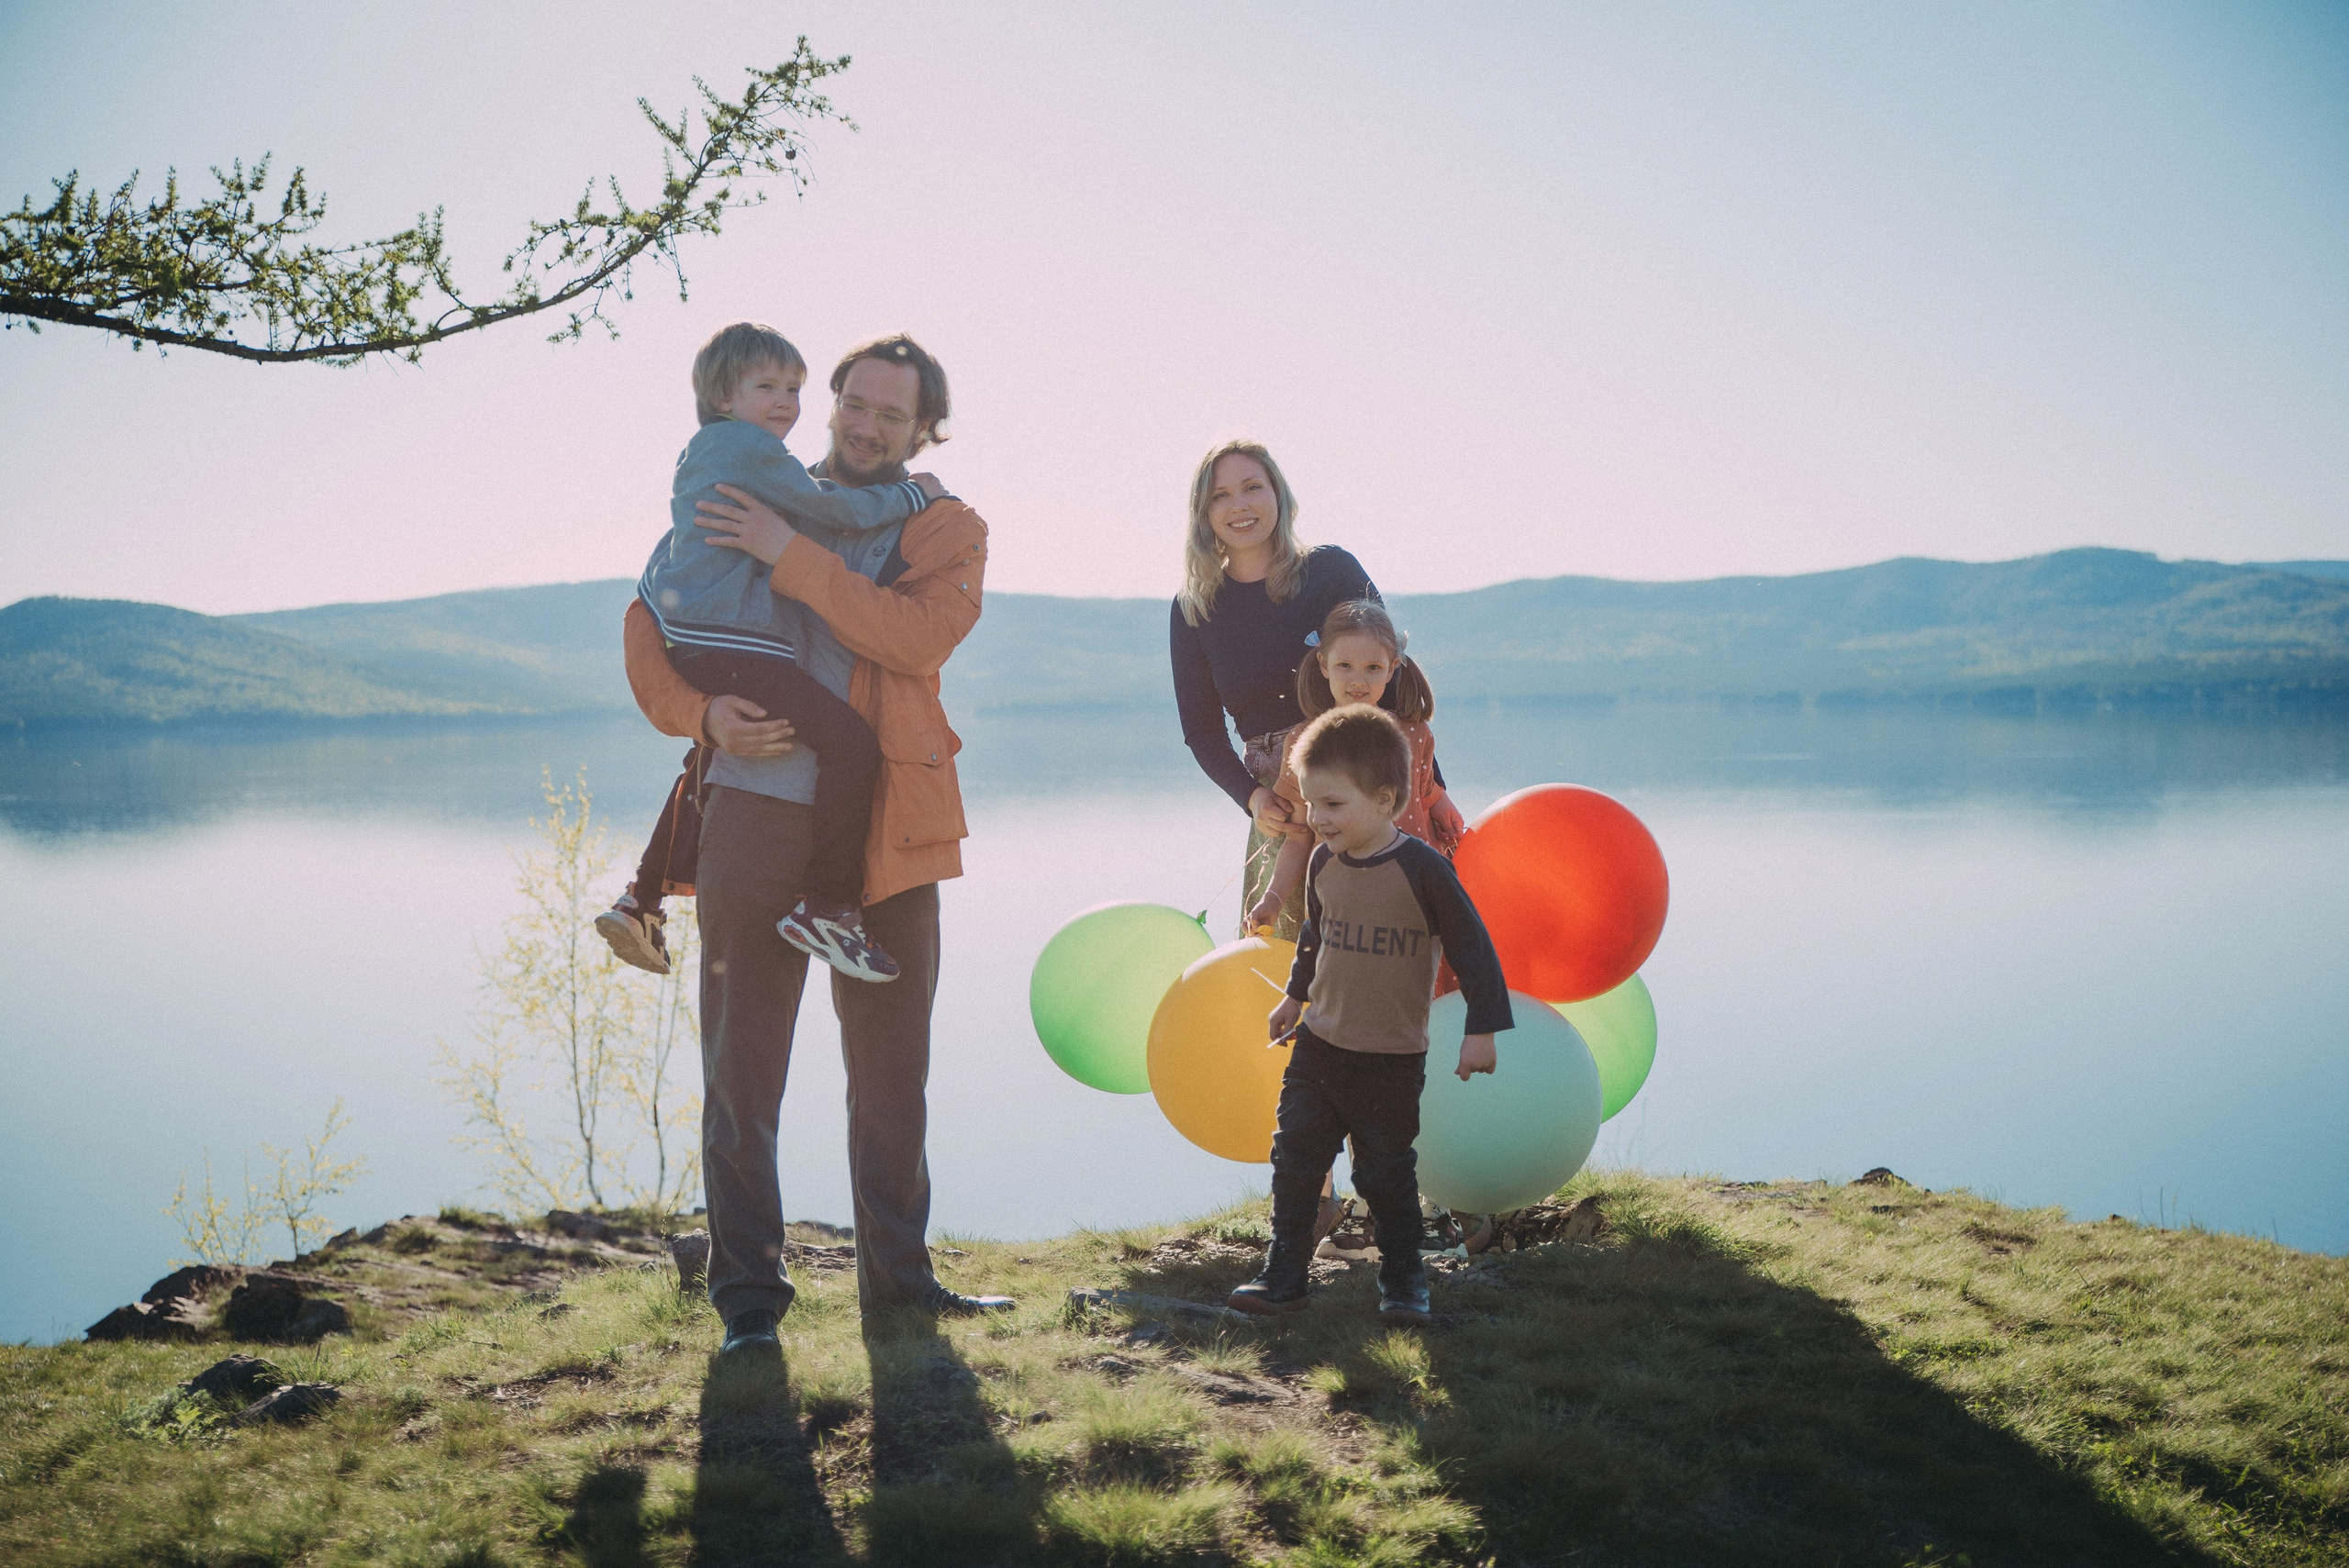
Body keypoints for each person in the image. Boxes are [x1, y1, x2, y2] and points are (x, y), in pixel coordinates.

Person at [618, 333, 1012, 1350]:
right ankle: (748, 1299)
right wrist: (700, 718)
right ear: (832, 403)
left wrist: (785, 556)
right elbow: (649, 609)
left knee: (892, 1075)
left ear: (925, 428)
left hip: (891, 828)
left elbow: (914, 639)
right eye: (857, 403)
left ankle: (902, 1285)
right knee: (740, 1070)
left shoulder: (945, 523)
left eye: (895, 413)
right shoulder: (762, 472)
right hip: (751, 809)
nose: (869, 424)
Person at [596, 321, 946, 984]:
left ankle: (640, 898)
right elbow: (829, 507)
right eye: (767, 387)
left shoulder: (711, 453)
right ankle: (829, 907)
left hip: (704, 643)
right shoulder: (753, 455)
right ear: (724, 397)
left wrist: (695, 683)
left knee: (708, 755)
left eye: (794, 387)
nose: (786, 401)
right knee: (852, 744)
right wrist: (911, 495)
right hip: (731, 647)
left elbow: (661, 573)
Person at [1227, 704, 1515, 1326]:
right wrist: (1292, 997)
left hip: (1390, 1058)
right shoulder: (1326, 862)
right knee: (1295, 1159)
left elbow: (1475, 947)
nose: (1314, 819)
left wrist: (1481, 1030)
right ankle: (1284, 1276)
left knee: (1385, 1175)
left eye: (1332, 804)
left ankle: (1405, 1280)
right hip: (1320, 1047)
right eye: (1309, 803)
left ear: (1385, 800)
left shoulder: (1423, 870)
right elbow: (1315, 938)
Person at [1168, 439, 1381, 940]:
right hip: (1280, 805)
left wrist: (1429, 788)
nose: (1239, 506)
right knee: (1274, 953)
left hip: (1365, 773)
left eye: (1252, 488)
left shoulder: (1331, 571)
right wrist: (1253, 797)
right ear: (1203, 513)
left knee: (1377, 945)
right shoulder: (1193, 609)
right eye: (1220, 496)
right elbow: (1201, 732)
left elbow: (1392, 676)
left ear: (1278, 495)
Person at [1246, 598, 1466, 931]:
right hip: (1341, 907)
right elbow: (1298, 835)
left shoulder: (1414, 735)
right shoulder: (1304, 742)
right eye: (1344, 665)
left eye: (1373, 668)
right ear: (1323, 665)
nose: (1358, 680)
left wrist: (1443, 811)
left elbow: (1425, 798)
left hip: (1413, 901)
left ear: (1392, 668)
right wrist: (1273, 898)